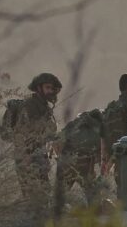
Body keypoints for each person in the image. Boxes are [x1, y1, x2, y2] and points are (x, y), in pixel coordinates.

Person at [11, 73, 61, 210]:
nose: (51, 91)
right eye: (48, 87)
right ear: (38, 88)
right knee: (32, 198)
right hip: (28, 157)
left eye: (53, 88)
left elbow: (49, 134)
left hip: (39, 157)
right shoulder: (30, 106)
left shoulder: (44, 107)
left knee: (43, 197)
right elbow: (20, 134)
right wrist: (26, 158)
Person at [59, 108, 105, 206]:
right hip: (86, 165)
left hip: (67, 162)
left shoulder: (75, 124)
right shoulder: (100, 128)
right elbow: (102, 153)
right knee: (94, 198)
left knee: (60, 197)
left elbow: (58, 141)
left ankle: (51, 217)